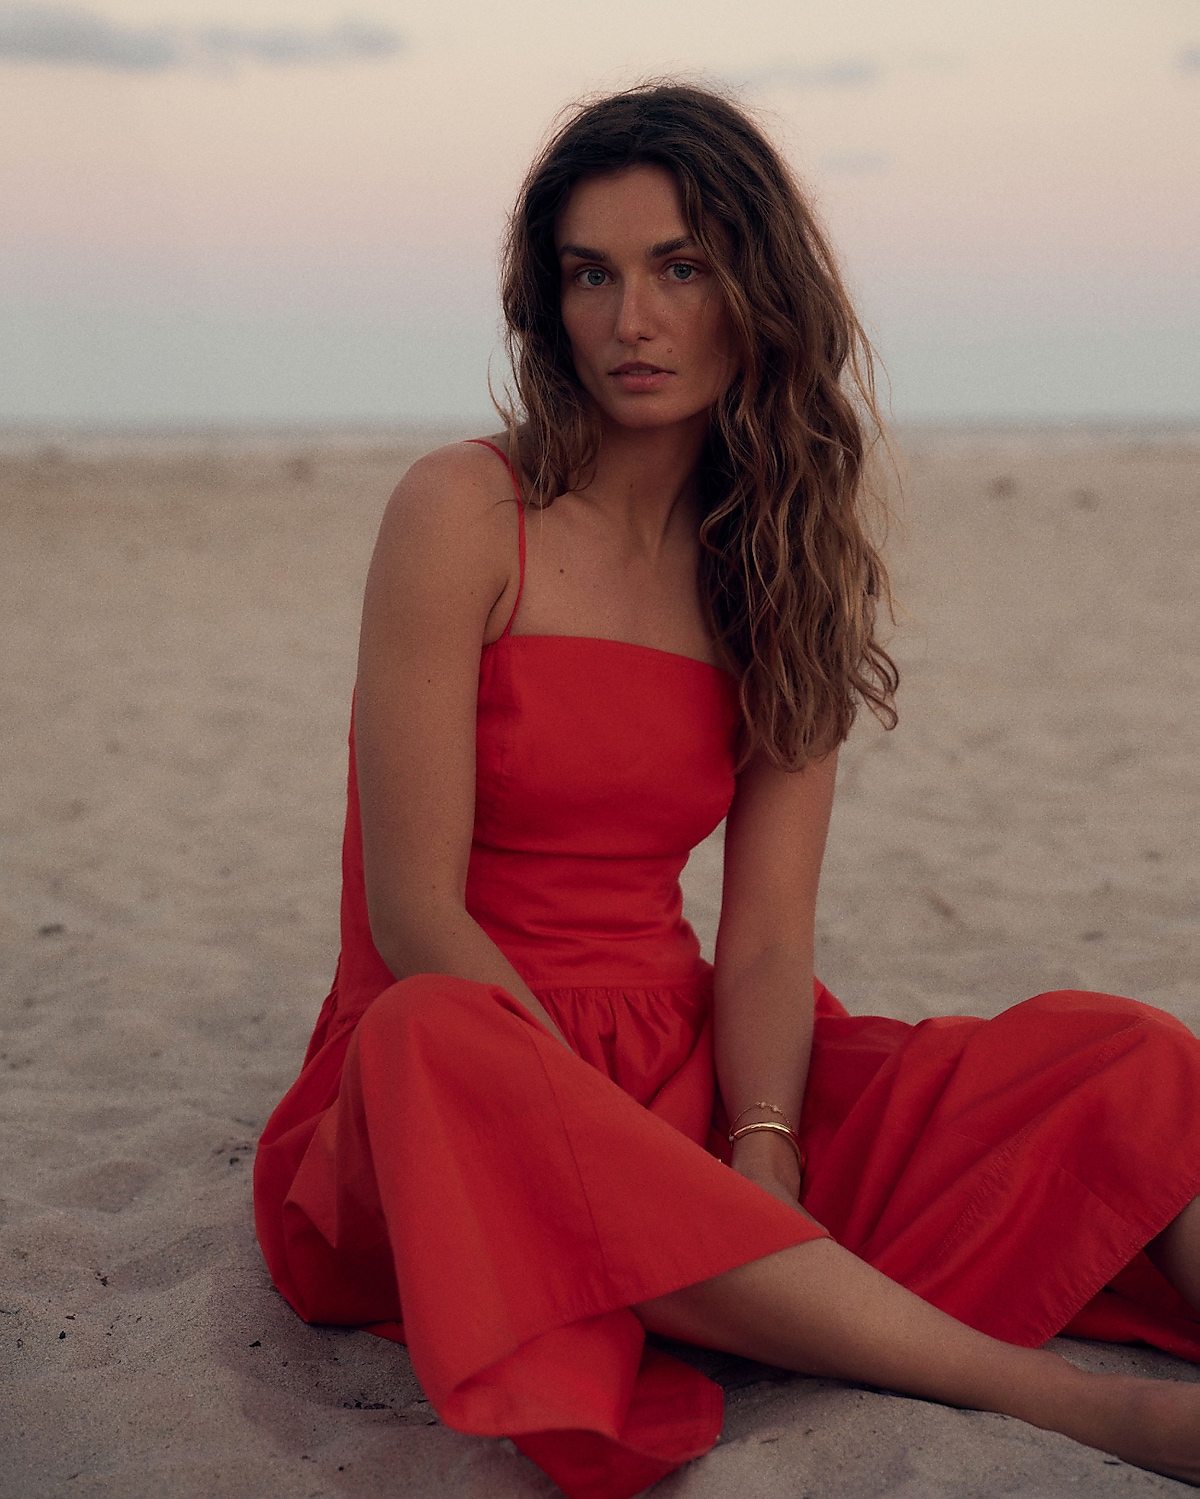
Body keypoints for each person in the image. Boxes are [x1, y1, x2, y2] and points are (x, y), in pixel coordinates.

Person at [254, 83, 1200, 1499]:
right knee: (431, 1036)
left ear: (758, 291)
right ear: (549, 301)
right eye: (592, 274)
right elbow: (413, 914)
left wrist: (758, 1148)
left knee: (1120, 1060)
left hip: (682, 1059)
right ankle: (1072, 1405)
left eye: (679, 268)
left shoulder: (774, 562)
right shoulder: (463, 512)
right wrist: (600, 1141)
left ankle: (745, 1263)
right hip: (455, 1074)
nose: (631, 320)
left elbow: (762, 942)